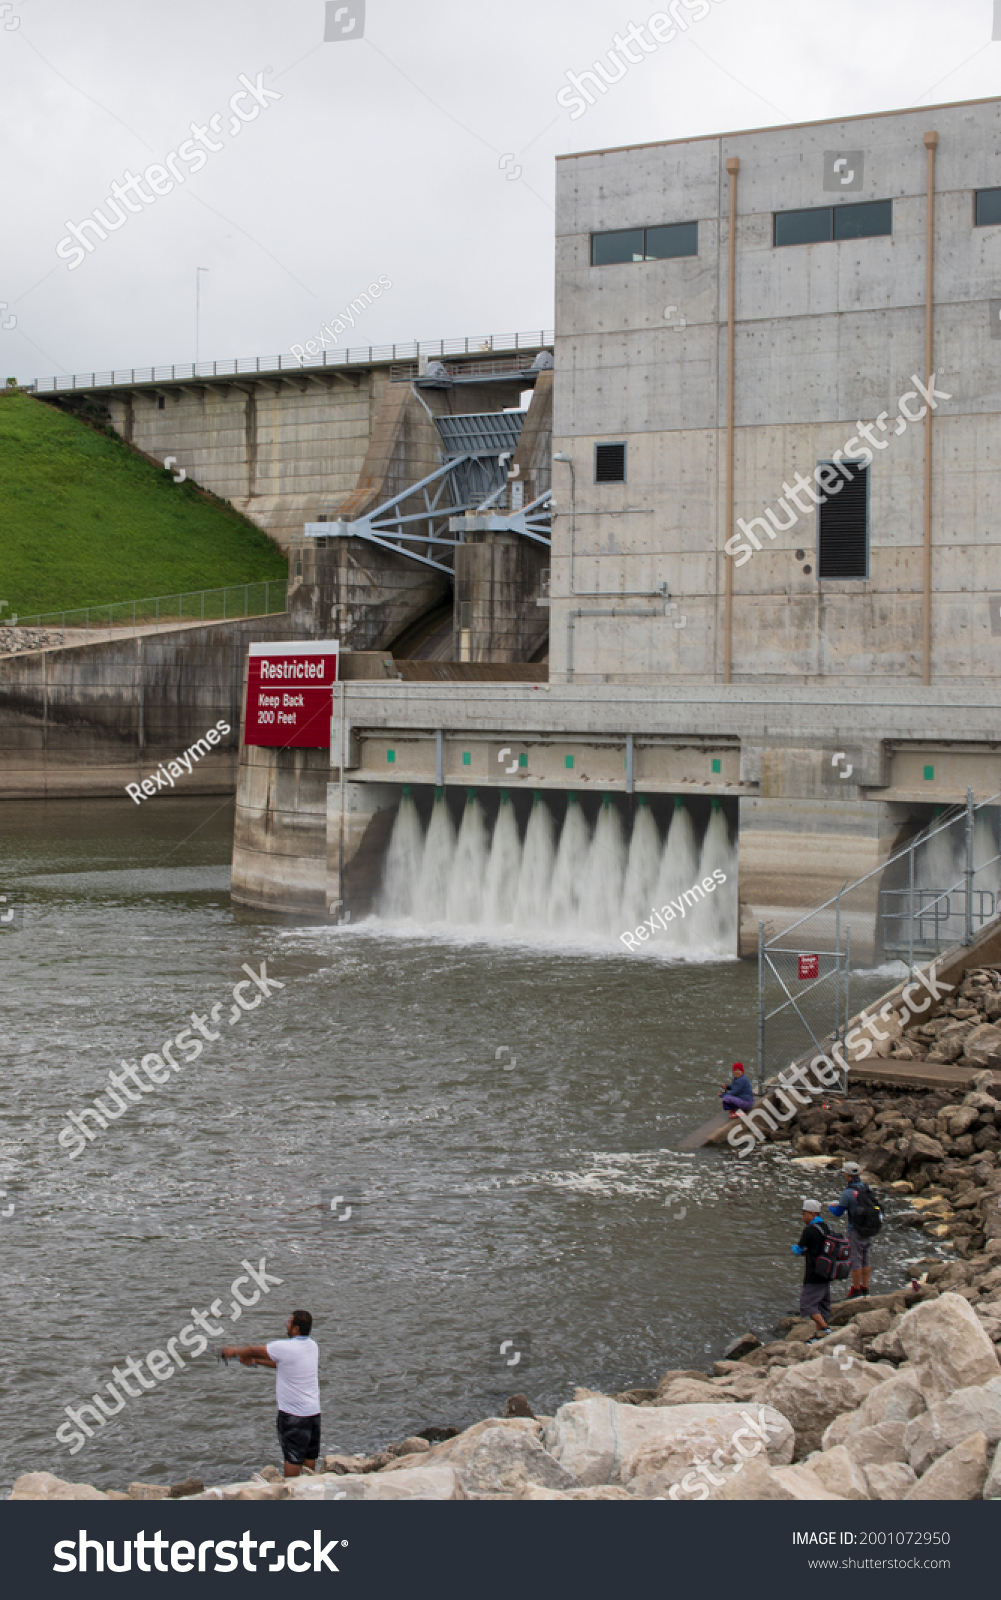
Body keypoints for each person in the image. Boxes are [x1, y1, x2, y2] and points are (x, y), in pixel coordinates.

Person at [221, 1309, 321, 1478]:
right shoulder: (312, 1346)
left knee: (292, 1458)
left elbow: (253, 1349)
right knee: (309, 1455)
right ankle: (310, 1487)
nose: (287, 1326)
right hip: (313, 1413)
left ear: (296, 1329)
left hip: (293, 1414)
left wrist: (233, 1352)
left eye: (289, 1323)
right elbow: (282, 1364)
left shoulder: (283, 1347)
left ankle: (291, 1493)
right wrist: (255, 1362)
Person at [827, 1160, 878, 1298]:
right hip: (869, 1229)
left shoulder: (847, 1193)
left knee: (855, 1259)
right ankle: (865, 1288)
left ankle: (856, 1290)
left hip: (855, 1231)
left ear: (847, 1175)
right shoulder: (868, 1188)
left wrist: (830, 1207)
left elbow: (838, 1213)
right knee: (866, 1258)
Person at [791, 1199, 832, 1338]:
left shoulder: (809, 1230)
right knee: (822, 1305)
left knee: (807, 1305)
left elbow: (798, 1250)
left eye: (805, 1214)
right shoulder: (827, 1227)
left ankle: (825, 1329)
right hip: (827, 1271)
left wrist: (794, 1249)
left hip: (814, 1273)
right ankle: (819, 1334)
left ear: (812, 1214)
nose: (803, 1217)